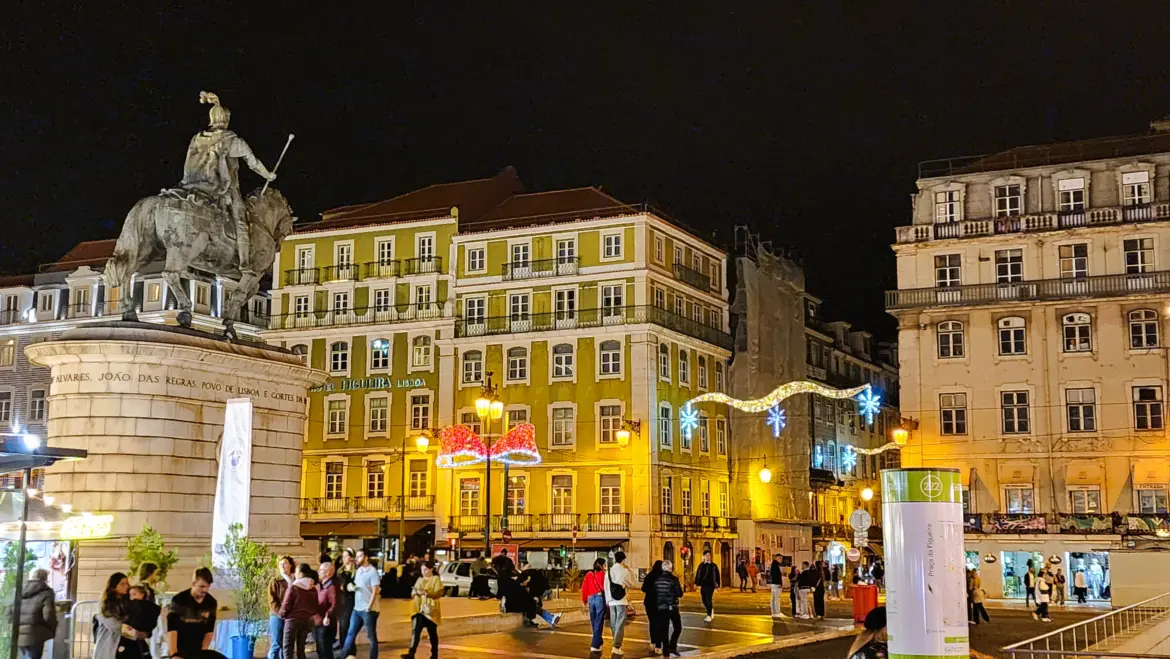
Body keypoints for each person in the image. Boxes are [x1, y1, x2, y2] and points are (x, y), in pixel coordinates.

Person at [178, 91, 277, 276]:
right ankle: (246, 263)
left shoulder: (197, 138)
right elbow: (252, 162)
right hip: (220, 188)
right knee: (241, 220)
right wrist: (268, 175)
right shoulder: (230, 139)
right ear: (226, 119)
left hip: (192, 185)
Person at [166, 568, 217, 659]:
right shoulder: (178, 600)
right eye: (201, 586)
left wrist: (203, 652)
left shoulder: (211, 602)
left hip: (198, 649)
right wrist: (174, 654)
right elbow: (172, 629)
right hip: (180, 648)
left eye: (207, 587)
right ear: (193, 583)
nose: (205, 590)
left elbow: (209, 630)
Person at [341, 548, 381, 659]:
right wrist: (351, 587)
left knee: (371, 637)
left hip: (368, 610)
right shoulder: (358, 571)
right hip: (357, 608)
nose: (357, 559)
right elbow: (357, 586)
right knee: (350, 633)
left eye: (359, 556)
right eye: (357, 556)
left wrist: (369, 606)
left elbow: (375, 590)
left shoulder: (372, 572)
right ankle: (343, 656)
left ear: (366, 557)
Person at [402, 561, 444, 659]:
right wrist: (417, 592)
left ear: (431, 569)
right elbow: (413, 593)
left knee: (432, 632)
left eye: (425, 569)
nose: (423, 572)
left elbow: (437, 593)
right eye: (422, 570)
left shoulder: (435, 579)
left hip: (430, 610)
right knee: (415, 631)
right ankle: (411, 653)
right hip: (418, 609)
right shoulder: (419, 580)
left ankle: (434, 654)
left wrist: (426, 593)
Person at [17, 569, 58, 659]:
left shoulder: (19, 590)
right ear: (45, 579)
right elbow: (48, 615)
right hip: (36, 634)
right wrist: (53, 627)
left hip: (19, 633)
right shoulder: (47, 592)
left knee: (25, 656)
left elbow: (9, 612)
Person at [604, 551, 637, 656]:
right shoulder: (624, 571)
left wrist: (608, 600)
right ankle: (616, 646)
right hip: (621, 600)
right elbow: (632, 583)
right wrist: (629, 570)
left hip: (611, 601)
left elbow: (606, 587)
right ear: (623, 560)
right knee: (620, 623)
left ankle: (615, 643)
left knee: (613, 623)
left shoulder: (608, 572)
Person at [93, 573, 132, 659]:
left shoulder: (128, 601)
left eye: (127, 583)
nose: (126, 586)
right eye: (122, 584)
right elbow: (114, 625)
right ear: (114, 586)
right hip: (109, 643)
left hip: (126, 645)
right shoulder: (106, 603)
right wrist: (135, 633)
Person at [652, 561, 684, 658]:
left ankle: (666, 652)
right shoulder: (674, 579)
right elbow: (680, 594)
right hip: (672, 607)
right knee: (677, 627)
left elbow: (655, 594)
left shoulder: (657, 580)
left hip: (661, 608)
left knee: (664, 630)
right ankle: (672, 646)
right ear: (670, 568)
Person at [519, 563, 562, 628]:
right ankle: (551, 618)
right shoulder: (523, 580)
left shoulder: (530, 578)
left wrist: (534, 597)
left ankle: (550, 619)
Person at [268, 556, 295, 659]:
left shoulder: (295, 580)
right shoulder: (275, 581)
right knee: (277, 643)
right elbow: (272, 601)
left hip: (291, 616)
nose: (282, 565)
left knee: (287, 645)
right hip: (277, 616)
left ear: (290, 565)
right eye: (280, 564)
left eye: (285, 563)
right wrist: (281, 613)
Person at [581, 558, 608, 653]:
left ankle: (598, 641)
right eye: (605, 565)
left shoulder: (589, 574)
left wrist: (584, 601)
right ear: (601, 565)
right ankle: (595, 644)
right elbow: (606, 588)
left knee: (594, 621)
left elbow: (584, 588)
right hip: (600, 598)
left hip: (591, 599)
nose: (605, 567)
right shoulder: (604, 575)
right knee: (599, 622)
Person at [317, 562, 340, 659]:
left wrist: (327, 615)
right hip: (318, 620)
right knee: (321, 648)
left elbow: (334, 604)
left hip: (326, 622)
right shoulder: (321, 585)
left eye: (321, 570)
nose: (318, 572)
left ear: (328, 573)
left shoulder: (331, 587)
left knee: (325, 649)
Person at [641, 561, 664, 654]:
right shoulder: (663, 576)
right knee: (660, 624)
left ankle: (653, 642)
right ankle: (658, 646)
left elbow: (643, 588)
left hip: (649, 603)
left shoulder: (650, 576)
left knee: (653, 623)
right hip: (661, 604)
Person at [336, 550, 356, 652]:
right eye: (343, 557)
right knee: (343, 626)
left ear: (351, 557)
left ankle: (350, 649)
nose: (344, 559)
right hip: (342, 600)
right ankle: (344, 648)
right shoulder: (340, 571)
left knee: (349, 626)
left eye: (346, 556)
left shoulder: (355, 571)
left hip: (352, 600)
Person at [695, 551, 720, 622]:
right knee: (704, 600)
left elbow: (717, 576)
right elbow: (698, 574)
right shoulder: (701, 565)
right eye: (707, 555)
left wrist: (717, 586)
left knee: (708, 599)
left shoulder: (713, 565)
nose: (708, 557)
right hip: (703, 585)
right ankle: (710, 609)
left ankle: (709, 615)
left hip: (710, 585)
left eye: (709, 555)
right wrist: (696, 583)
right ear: (704, 556)